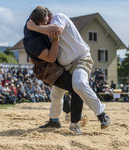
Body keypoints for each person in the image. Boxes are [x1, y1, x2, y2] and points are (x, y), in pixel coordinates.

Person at [27, 6, 111, 129]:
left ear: (47, 18)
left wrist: (34, 28)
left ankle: (101, 114)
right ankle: (54, 121)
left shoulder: (58, 17)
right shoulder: (46, 32)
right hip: (64, 67)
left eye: (42, 24)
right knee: (55, 95)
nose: (41, 27)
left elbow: (57, 30)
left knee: (79, 84)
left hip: (81, 60)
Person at [23, 6, 84, 134]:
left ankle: (55, 120)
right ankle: (75, 122)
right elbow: (51, 58)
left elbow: (42, 10)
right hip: (51, 70)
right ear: (38, 23)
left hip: (58, 64)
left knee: (56, 95)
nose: (49, 24)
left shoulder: (33, 22)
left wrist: (40, 24)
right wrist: (56, 39)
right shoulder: (33, 42)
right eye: (46, 23)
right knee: (75, 88)